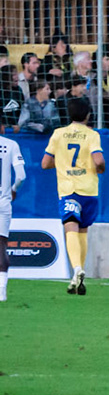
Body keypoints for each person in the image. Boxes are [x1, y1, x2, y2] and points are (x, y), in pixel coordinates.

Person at [43, 96, 103, 296]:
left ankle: (76, 269)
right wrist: (101, 168)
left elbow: (45, 163)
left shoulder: (58, 134)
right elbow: (99, 160)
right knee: (83, 231)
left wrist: (62, 163)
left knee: (70, 228)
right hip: (88, 190)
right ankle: (77, 275)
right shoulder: (92, 135)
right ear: (87, 115)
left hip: (68, 189)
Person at [0, 128, 25, 301]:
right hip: (3, 201)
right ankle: (1, 291)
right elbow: (21, 176)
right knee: (1, 246)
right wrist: (13, 189)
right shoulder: (10, 145)